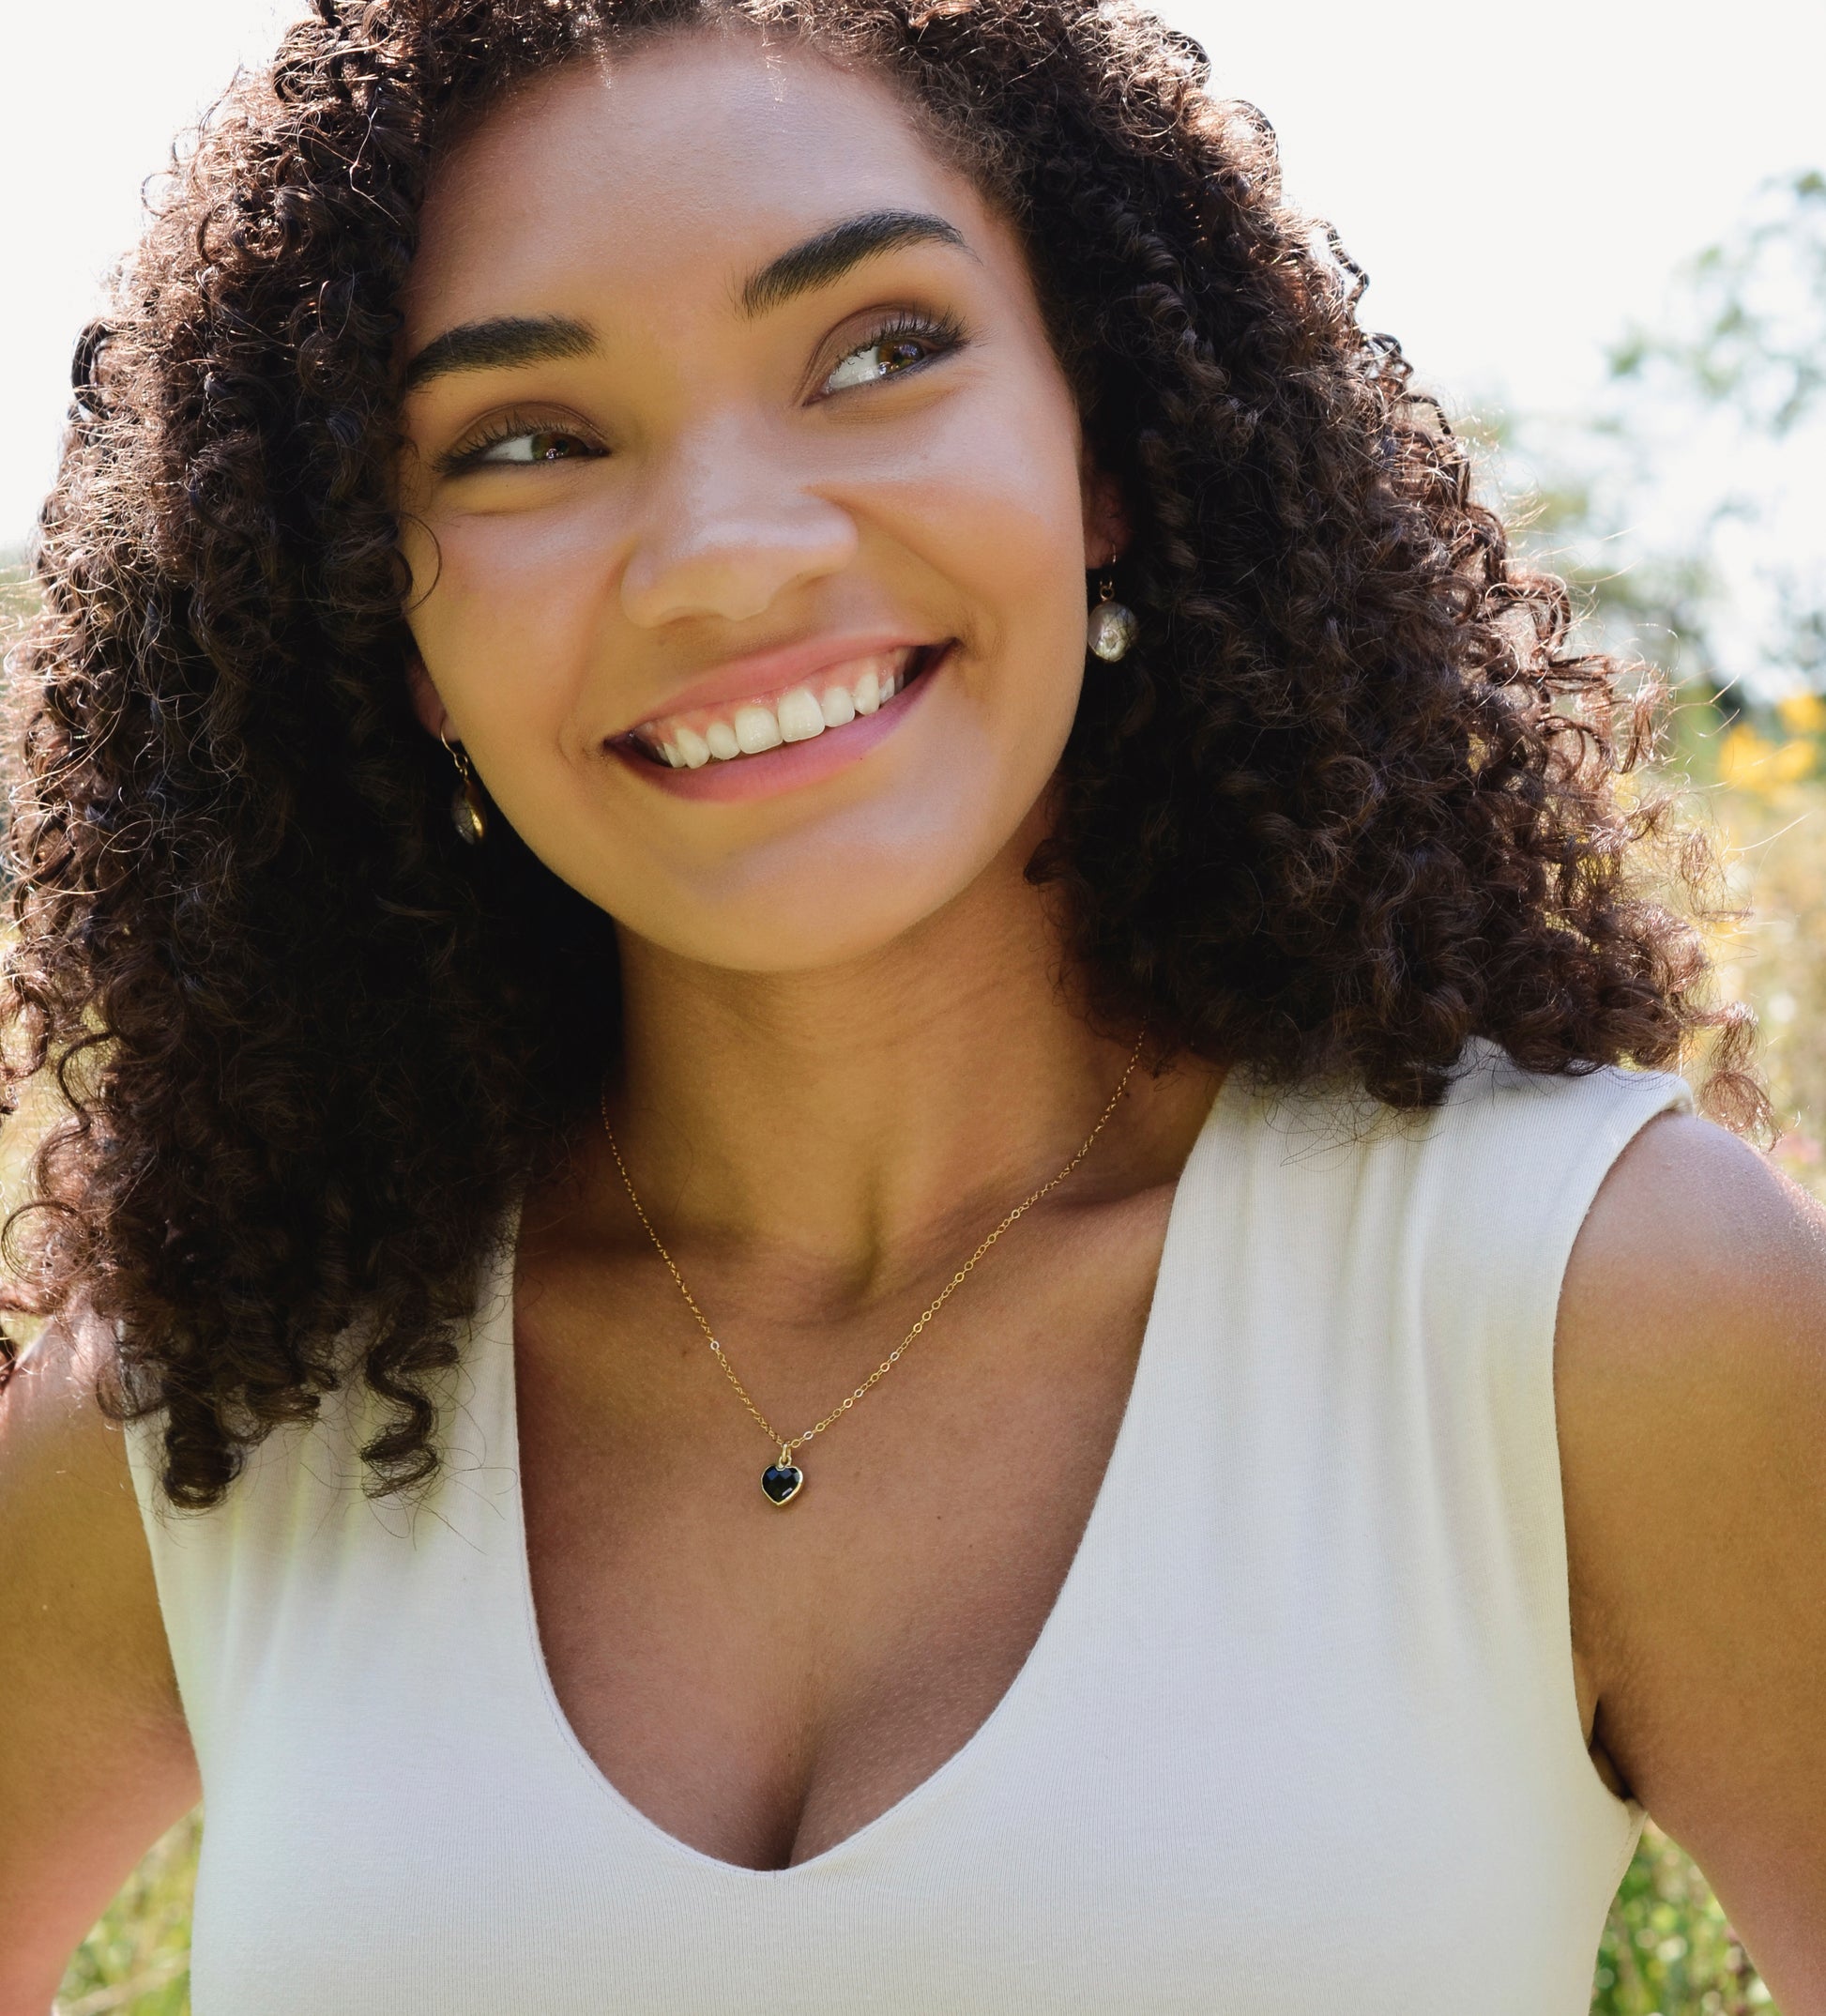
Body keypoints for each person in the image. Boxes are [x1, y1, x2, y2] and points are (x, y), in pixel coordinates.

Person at [1, 0, 1821, 2008]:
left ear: (1107, 454)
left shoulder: (1591, 1307)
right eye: (524, 442)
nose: (725, 558)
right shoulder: (235, 1404)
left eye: (879, 352)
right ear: (387, 628)